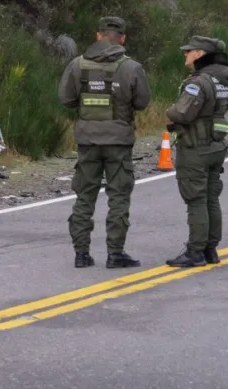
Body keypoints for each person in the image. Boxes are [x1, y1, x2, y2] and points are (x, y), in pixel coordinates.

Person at [58, 16, 151, 269]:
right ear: (122, 38)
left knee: (84, 197)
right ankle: (115, 253)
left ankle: (81, 254)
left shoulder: (77, 65)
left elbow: (66, 99)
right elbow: (142, 102)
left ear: (98, 36)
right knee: (118, 196)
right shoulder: (132, 68)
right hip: (119, 142)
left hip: (87, 141)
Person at [165, 35, 228, 268]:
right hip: (216, 146)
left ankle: (195, 251)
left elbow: (181, 113)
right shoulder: (223, 80)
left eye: (189, 51)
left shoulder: (198, 82)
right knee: (211, 199)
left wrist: (170, 110)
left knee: (196, 199)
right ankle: (210, 249)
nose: (185, 54)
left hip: (196, 147)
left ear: (200, 54)